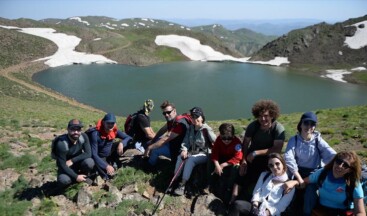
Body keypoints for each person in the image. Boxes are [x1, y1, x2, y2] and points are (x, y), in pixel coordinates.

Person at [233, 99, 285, 202]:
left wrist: (256, 153)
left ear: (272, 115)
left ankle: (253, 201)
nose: (263, 119)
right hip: (251, 157)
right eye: (260, 116)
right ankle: (232, 199)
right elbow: (246, 143)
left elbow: (277, 149)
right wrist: (243, 160)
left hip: (268, 159)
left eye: (266, 116)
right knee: (241, 174)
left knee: (260, 178)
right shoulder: (253, 126)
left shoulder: (278, 128)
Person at [284, 111, 336, 215]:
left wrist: (342, 160)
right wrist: (299, 178)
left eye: (312, 124)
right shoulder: (294, 140)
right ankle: (287, 210)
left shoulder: (318, 140)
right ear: (301, 124)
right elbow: (288, 158)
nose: (309, 126)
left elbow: (331, 154)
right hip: (297, 172)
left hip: (313, 174)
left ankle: (306, 213)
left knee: (310, 194)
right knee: (289, 191)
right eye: (306, 123)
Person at [284, 151, 366, 216]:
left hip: (342, 212)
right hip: (321, 208)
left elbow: (361, 212)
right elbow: (305, 181)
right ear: (334, 161)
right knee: (311, 187)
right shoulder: (323, 173)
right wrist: (294, 182)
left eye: (345, 165)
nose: (340, 166)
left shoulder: (353, 183)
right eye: (338, 161)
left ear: (350, 170)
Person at [229, 153, 295, 216]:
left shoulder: (290, 186)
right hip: (257, 206)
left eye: (277, 164)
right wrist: (255, 206)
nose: (274, 167)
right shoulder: (264, 175)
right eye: (271, 165)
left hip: (271, 213)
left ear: (283, 164)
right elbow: (257, 192)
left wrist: (266, 213)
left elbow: (281, 206)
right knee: (237, 204)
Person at [173, 107, 216, 196]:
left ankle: (183, 184)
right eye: (192, 117)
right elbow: (186, 141)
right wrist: (184, 150)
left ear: (202, 117)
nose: (195, 119)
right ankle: (175, 179)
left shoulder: (206, 129)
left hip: (204, 154)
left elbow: (215, 142)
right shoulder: (191, 128)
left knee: (190, 160)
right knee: (180, 157)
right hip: (193, 152)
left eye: (197, 117)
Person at [144, 100, 190, 168]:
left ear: (174, 111)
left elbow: (166, 138)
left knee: (154, 150)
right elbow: (163, 129)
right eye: (164, 113)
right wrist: (153, 140)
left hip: (178, 150)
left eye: (168, 112)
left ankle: (149, 166)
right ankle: (148, 157)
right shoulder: (172, 120)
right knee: (152, 142)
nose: (166, 115)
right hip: (173, 144)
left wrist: (149, 148)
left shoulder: (180, 124)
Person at [89, 113, 132, 180]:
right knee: (109, 175)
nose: (110, 125)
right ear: (103, 123)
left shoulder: (114, 131)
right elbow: (94, 154)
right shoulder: (95, 134)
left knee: (129, 143)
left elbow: (129, 138)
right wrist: (106, 166)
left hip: (109, 153)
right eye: (108, 123)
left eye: (112, 123)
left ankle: (114, 160)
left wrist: (122, 144)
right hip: (100, 157)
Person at [54, 119, 95, 188]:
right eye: (73, 129)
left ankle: (83, 176)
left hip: (78, 163)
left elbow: (88, 154)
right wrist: (76, 177)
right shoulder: (61, 143)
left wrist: (72, 160)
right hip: (65, 167)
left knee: (89, 162)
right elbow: (62, 165)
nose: (76, 132)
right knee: (63, 180)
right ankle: (73, 181)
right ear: (68, 129)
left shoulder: (83, 137)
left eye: (78, 129)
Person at [211, 123, 243, 204]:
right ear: (220, 135)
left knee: (236, 167)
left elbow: (238, 157)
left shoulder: (237, 142)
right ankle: (210, 182)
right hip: (221, 158)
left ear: (233, 136)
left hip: (231, 161)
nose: (226, 141)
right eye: (224, 138)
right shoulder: (218, 140)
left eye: (229, 138)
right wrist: (217, 164)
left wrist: (223, 165)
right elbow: (214, 153)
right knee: (209, 160)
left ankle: (229, 188)